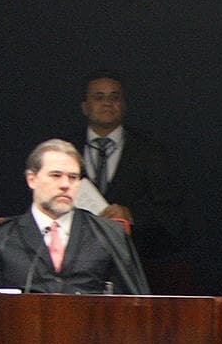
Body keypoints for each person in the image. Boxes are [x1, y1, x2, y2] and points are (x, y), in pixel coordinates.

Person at [0, 139, 149, 294]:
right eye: (56, 175)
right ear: (32, 179)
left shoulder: (108, 235)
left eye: (73, 177)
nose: (65, 185)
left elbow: (132, 304)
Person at [75, 73, 189, 267]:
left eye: (114, 97)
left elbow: (170, 209)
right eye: (98, 97)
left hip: (136, 259)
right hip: (76, 259)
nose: (107, 103)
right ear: (85, 106)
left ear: (124, 105)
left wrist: (131, 214)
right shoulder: (65, 150)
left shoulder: (150, 150)